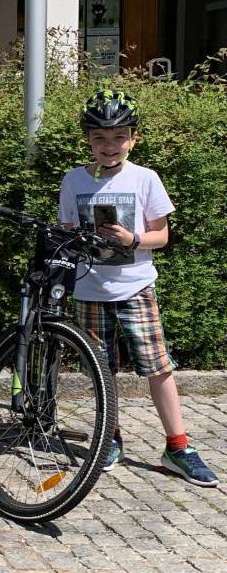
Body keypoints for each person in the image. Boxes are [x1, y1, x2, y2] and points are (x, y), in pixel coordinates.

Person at [60, 90, 217, 486]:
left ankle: (177, 446)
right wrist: (81, 236)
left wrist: (130, 239)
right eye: (99, 138)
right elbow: (64, 231)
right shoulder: (73, 179)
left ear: (133, 138)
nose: (109, 146)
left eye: (118, 137)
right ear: (87, 140)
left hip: (135, 288)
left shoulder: (145, 178)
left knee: (158, 368)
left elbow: (161, 236)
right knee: (101, 371)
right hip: (90, 291)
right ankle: (110, 438)